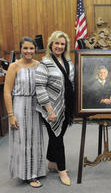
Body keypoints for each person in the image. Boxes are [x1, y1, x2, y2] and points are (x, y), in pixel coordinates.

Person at [4, 37, 46, 188]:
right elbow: (7, 92)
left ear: (35, 50)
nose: (28, 51)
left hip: (35, 106)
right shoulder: (14, 66)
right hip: (20, 106)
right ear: (20, 49)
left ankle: (36, 170)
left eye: (31, 48)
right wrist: (10, 114)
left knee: (35, 139)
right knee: (22, 140)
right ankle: (28, 175)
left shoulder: (39, 65)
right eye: (25, 48)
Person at [35, 31, 74, 186]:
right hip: (51, 107)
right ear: (51, 44)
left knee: (57, 135)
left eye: (62, 44)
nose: (59, 46)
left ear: (66, 46)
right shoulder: (45, 63)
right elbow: (40, 87)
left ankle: (52, 162)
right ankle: (62, 170)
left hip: (66, 106)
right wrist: (50, 110)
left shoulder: (68, 62)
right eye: (56, 43)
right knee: (57, 138)